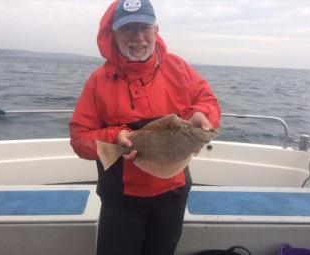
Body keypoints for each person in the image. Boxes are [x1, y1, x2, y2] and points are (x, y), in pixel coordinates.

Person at [69, 0, 221, 254]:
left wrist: (202, 115)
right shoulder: (98, 82)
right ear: (113, 34)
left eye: (144, 28)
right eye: (128, 29)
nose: (137, 37)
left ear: (156, 31)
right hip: (121, 200)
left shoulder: (179, 68)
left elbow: (207, 101)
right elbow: (79, 138)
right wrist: (116, 137)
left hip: (173, 194)